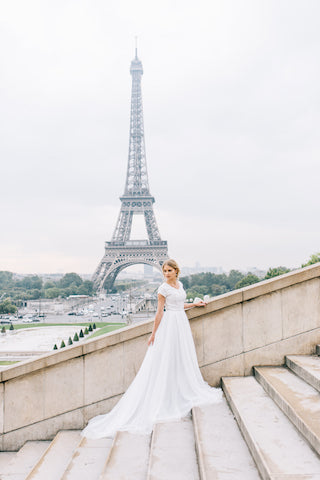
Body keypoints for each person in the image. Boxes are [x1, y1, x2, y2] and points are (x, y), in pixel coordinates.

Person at [82, 259, 222, 439]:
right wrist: (154, 333)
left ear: (176, 271)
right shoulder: (162, 289)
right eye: (164, 271)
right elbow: (160, 312)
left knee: (181, 357)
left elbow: (179, 305)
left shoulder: (179, 285)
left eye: (169, 270)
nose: (166, 273)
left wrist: (195, 305)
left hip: (181, 323)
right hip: (170, 325)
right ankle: (170, 395)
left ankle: (178, 390)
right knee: (168, 360)